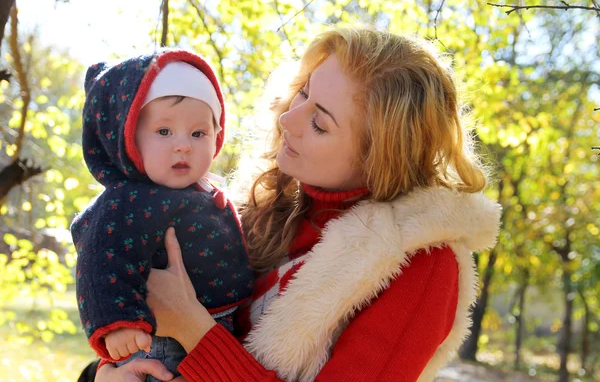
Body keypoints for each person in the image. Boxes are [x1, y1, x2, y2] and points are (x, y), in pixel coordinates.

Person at [92, 26, 501, 382]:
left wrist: (192, 329)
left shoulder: (423, 264)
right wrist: (105, 374)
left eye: (319, 123)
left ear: (380, 159)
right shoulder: (257, 205)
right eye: (303, 92)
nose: (288, 119)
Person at [71, 50, 254, 380]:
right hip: (161, 341)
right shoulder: (127, 201)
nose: (183, 145)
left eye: (199, 133)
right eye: (164, 132)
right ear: (129, 139)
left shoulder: (204, 191)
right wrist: (118, 323)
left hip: (215, 333)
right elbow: (101, 260)